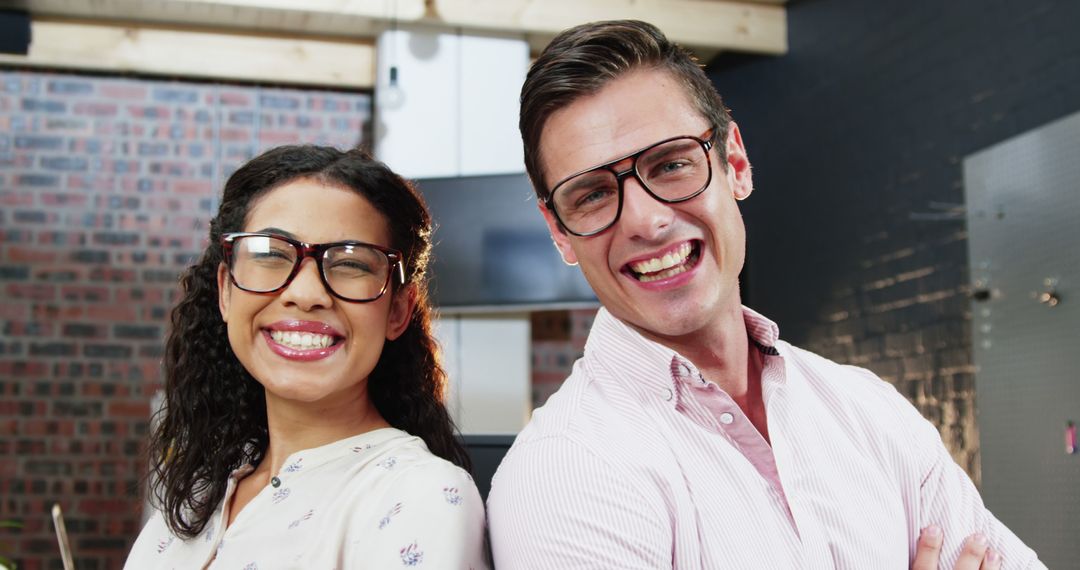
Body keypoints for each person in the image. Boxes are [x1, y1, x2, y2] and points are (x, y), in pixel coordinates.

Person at [486, 20, 1044, 569]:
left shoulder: (868, 409)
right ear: (559, 230)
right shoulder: (562, 475)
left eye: (672, 163)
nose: (646, 220)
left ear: (734, 162)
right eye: (591, 195)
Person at [125, 145, 489, 568]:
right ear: (225, 290)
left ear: (397, 311)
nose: (306, 294)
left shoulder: (420, 495)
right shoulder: (199, 497)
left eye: (351, 263)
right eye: (270, 255)